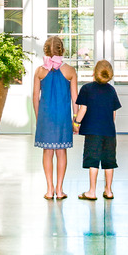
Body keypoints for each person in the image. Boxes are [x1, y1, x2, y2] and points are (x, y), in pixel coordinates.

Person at [33, 34, 77, 200]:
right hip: (62, 118)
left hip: (46, 116)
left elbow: (35, 97)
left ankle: (49, 189)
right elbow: (75, 99)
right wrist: (76, 120)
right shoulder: (70, 71)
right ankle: (60, 189)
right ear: (62, 50)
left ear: (45, 51)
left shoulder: (39, 71)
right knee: (61, 151)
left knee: (47, 152)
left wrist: (39, 118)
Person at [74, 59, 121, 201]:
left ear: (94, 73)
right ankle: (108, 190)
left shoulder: (87, 89)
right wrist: (108, 125)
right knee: (109, 161)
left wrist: (76, 123)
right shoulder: (111, 90)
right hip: (109, 132)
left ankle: (92, 191)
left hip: (93, 132)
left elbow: (83, 108)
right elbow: (113, 113)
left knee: (93, 161)